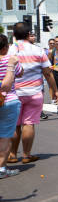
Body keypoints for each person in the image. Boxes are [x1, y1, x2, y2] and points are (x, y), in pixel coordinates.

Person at [7, 23, 58, 165]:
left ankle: (11, 154)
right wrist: (55, 90)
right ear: (28, 34)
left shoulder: (9, 50)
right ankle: (26, 155)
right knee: (28, 123)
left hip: (13, 93)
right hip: (34, 92)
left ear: (13, 35)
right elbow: (48, 73)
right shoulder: (38, 50)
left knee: (15, 125)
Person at [0, 34, 23, 178]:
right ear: (5, 47)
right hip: (9, 100)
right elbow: (20, 73)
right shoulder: (11, 60)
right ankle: (1, 168)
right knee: (5, 137)